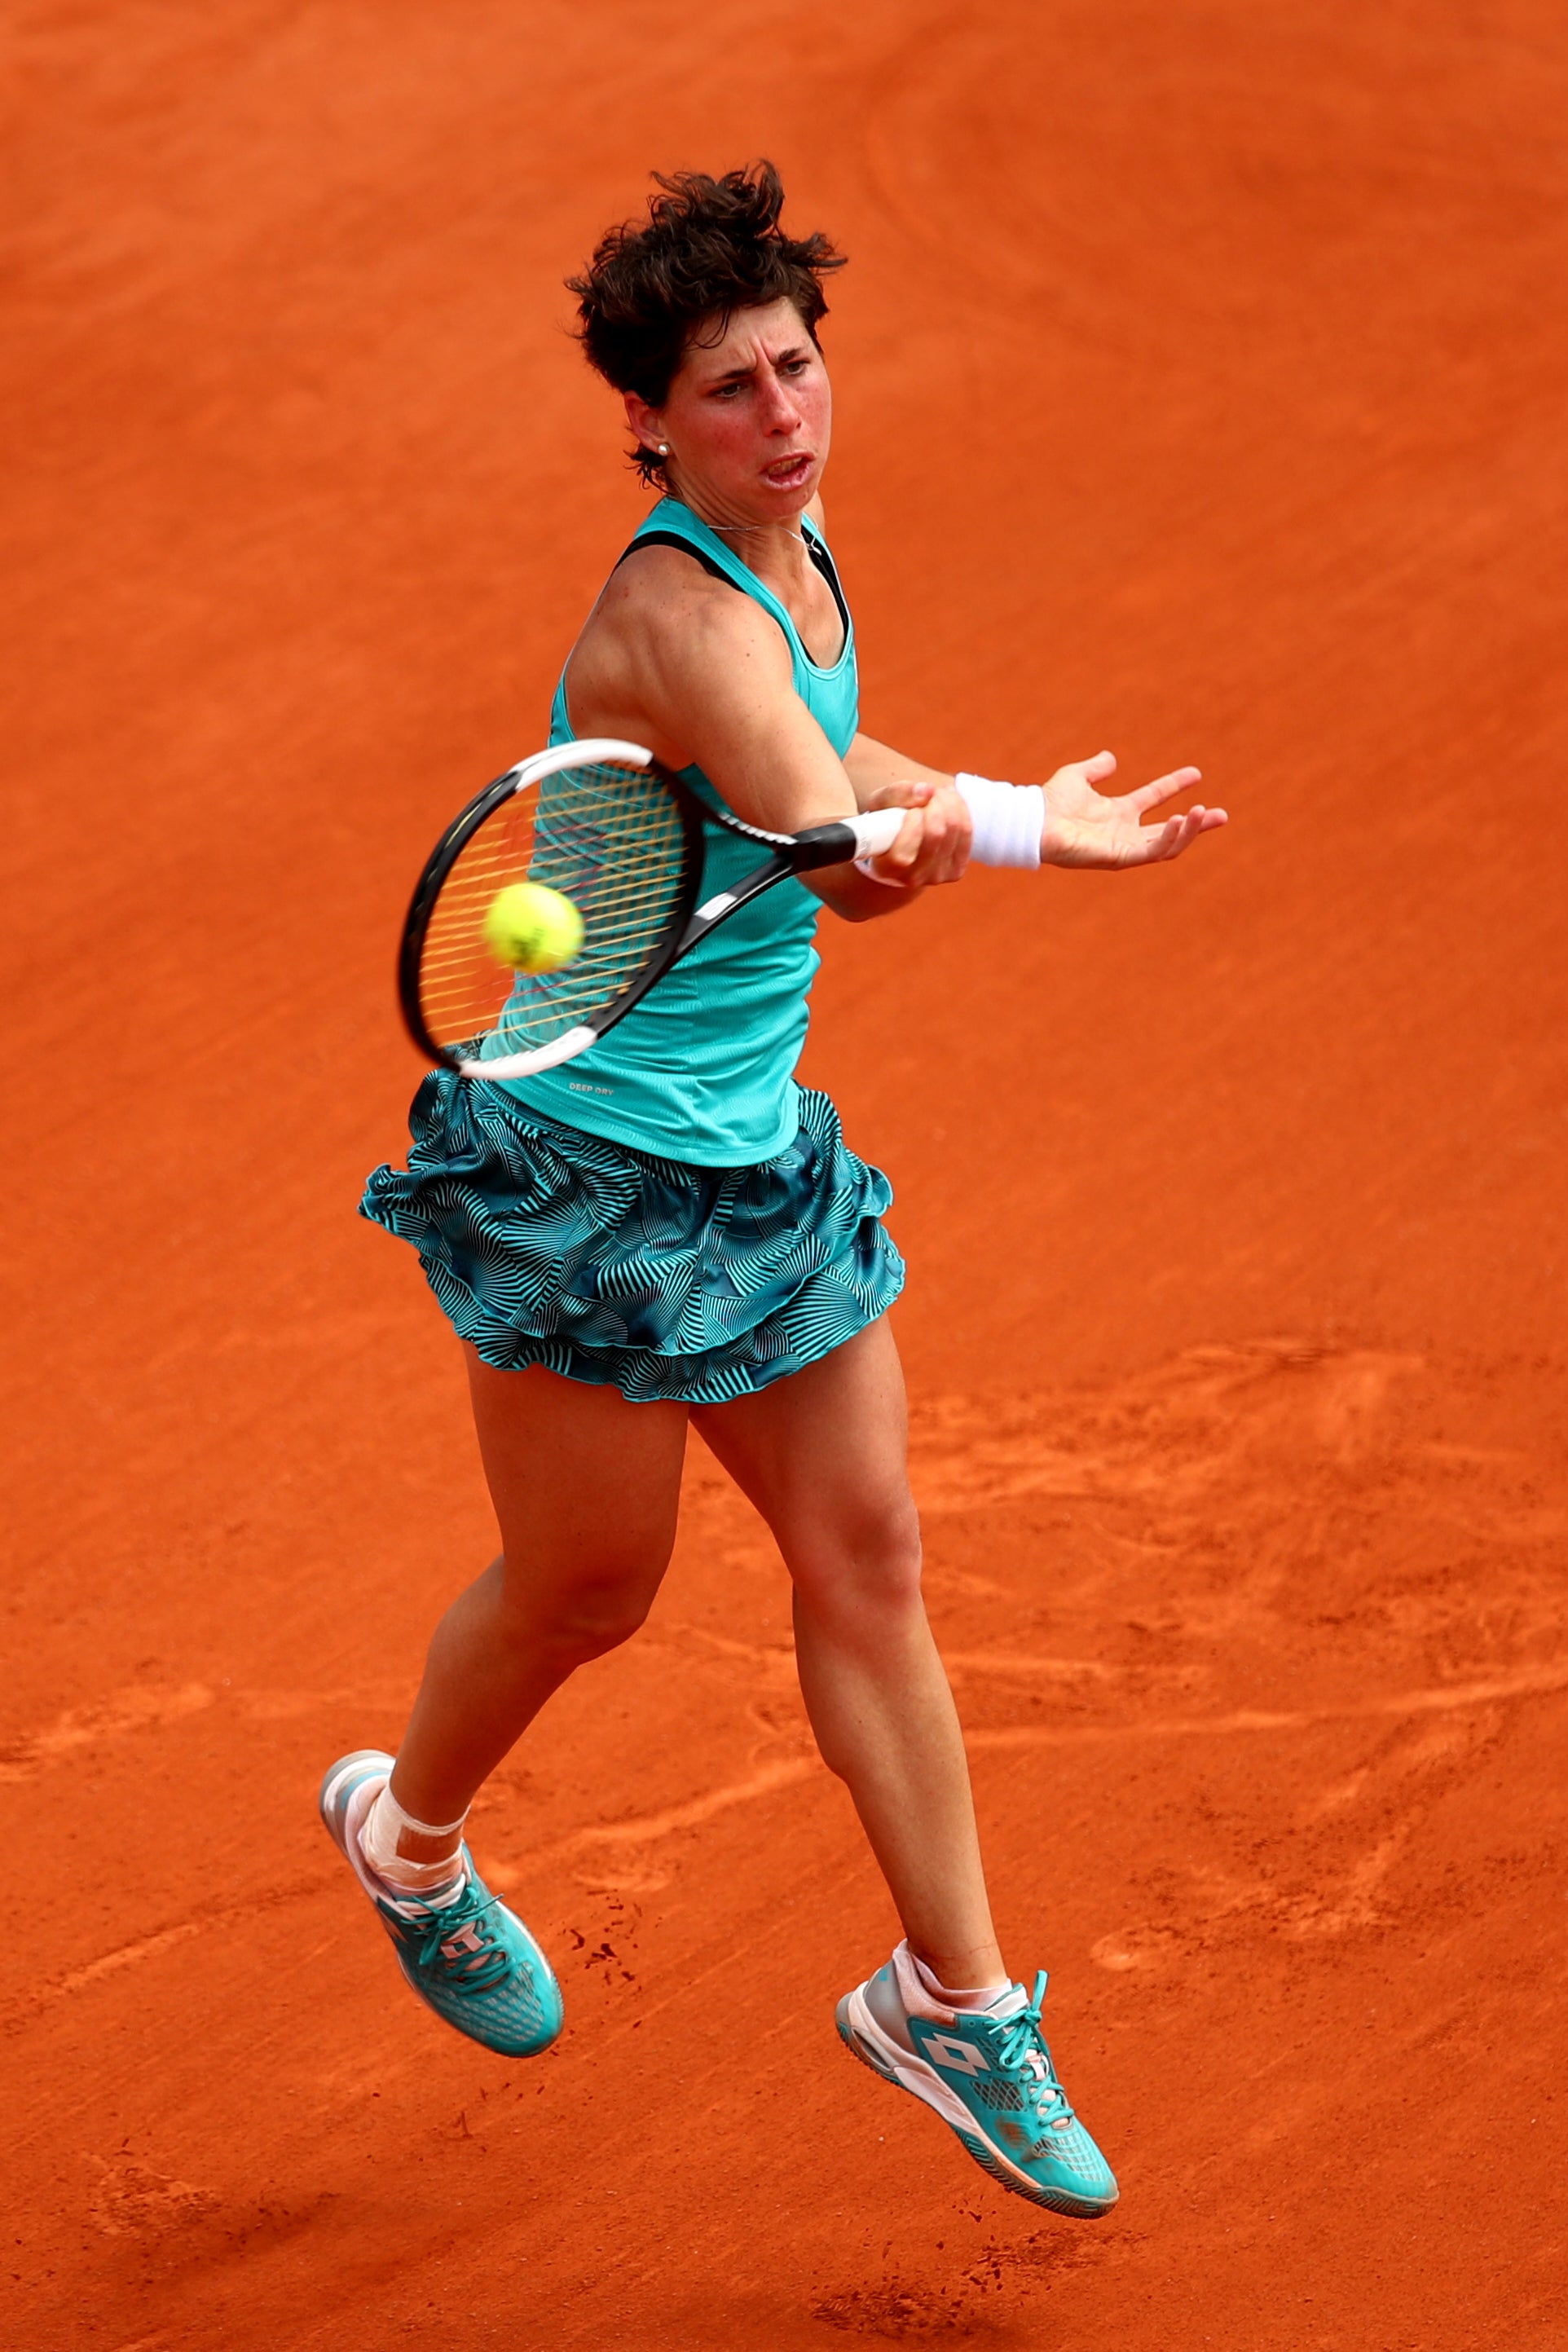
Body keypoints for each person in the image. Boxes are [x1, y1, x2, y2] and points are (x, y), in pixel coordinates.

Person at [321, 161, 1225, 2218]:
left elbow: (842, 756)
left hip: (752, 1170)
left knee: (871, 1557)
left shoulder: (797, 545)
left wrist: (1006, 809)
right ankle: (408, 1839)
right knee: (588, 1593)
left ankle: (955, 2000)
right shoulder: (668, 615)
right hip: (584, 1189)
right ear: (648, 421)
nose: (784, 417)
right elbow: (818, 820)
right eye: (729, 392)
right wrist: (935, 851)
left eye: (797, 367)